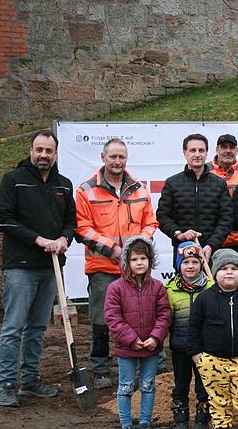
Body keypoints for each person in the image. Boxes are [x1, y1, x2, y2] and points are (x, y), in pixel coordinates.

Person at [0, 130, 77, 407]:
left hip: (50, 267)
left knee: (37, 327)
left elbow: (70, 222)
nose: (44, 155)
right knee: (13, 327)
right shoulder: (13, 180)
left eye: (49, 151)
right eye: (39, 149)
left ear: (56, 154)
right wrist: (38, 239)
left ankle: (30, 380)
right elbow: (2, 220)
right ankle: (7, 383)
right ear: (31, 150)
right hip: (20, 266)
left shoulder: (64, 185)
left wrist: (65, 238)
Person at [75, 138, 159, 388]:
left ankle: (151, 359)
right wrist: (112, 249)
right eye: (112, 156)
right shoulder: (86, 190)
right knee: (101, 319)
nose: (117, 161)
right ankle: (101, 368)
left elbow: (150, 223)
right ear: (103, 157)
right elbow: (82, 228)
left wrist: (137, 248)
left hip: (136, 268)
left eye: (121, 157)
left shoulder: (139, 189)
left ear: (127, 158)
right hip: (103, 267)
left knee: (144, 314)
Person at [187, 249, 238, 429]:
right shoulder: (205, 298)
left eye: (234, 268)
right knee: (219, 402)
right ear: (215, 273)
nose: (229, 272)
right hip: (212, 361)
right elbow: (193, 328)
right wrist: (196, 355)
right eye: (224, 268)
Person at [104, 236, 171, 429]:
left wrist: (155, 337)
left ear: (150, 260)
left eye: (143, 258)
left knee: (148, 385)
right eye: (134, 259)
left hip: (151, 346)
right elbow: (113, 318)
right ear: (127, 262)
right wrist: (131, 339)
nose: (139, 263)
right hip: (127, 348)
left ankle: (144, 421)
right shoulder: (115, 288)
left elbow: (164, 314)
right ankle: (126, 423)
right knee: (125, 386)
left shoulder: (158, 286)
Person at [157, 133, 233, 266]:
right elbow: (163, 216)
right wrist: (178, 234)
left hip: (212, 253)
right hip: (183, 253)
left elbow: (227, 218)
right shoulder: (172, 183)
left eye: (201, 150)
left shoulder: (219, 184)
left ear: (206, 153)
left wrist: (211, 244)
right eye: (193, 150)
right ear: (184, 153)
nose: (197, 154)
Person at [164, 242, 214, 429]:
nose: (190, 266)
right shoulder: (170, 289)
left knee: (204, 385)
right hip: (180, 347)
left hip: (205, 349)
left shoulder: (211, 287)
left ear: (202, 263)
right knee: (181, 384)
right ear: (178, 265)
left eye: (195, 261)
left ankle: (203, 418)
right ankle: (181, 418)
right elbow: (165, 317)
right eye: (185, 262)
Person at [207, 133, 238, 247]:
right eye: (224, 147)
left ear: (237, 150)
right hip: (211, 239)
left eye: (232, 147)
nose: (228, 150)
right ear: (217, 150)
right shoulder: (204, 171)